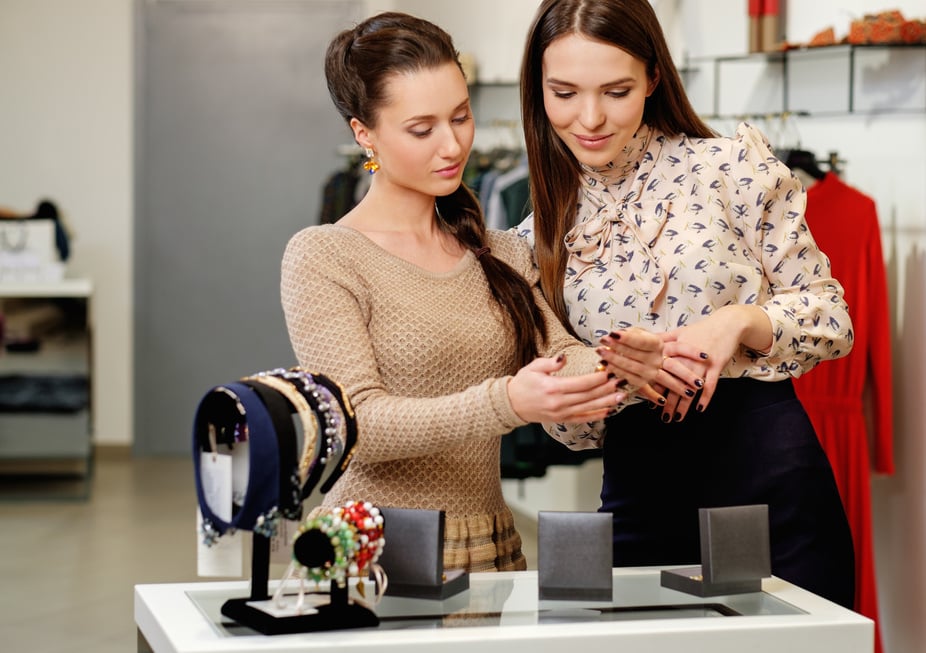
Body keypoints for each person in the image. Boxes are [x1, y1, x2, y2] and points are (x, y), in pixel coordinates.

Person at [280, 11, 685, 573]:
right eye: (421, 130)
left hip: (489, 548)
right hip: (369, 550)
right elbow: (358, 426)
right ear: (363, 132)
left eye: (462, 117)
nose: (452, 146)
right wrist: (508, 402)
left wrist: (623, 360)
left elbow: (559, 356)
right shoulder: (325, 255)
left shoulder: (500, 251)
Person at [516, 0, 856, 607]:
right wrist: (616, 377)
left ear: (652, 78)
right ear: (537, 89)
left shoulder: (732, 168)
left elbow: (831, 318)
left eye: (616, 90)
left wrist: (736, 321)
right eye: (563, 92)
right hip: (638, 497)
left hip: (771, 485)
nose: (588, 117)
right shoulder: (535, 235)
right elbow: (566, 430)